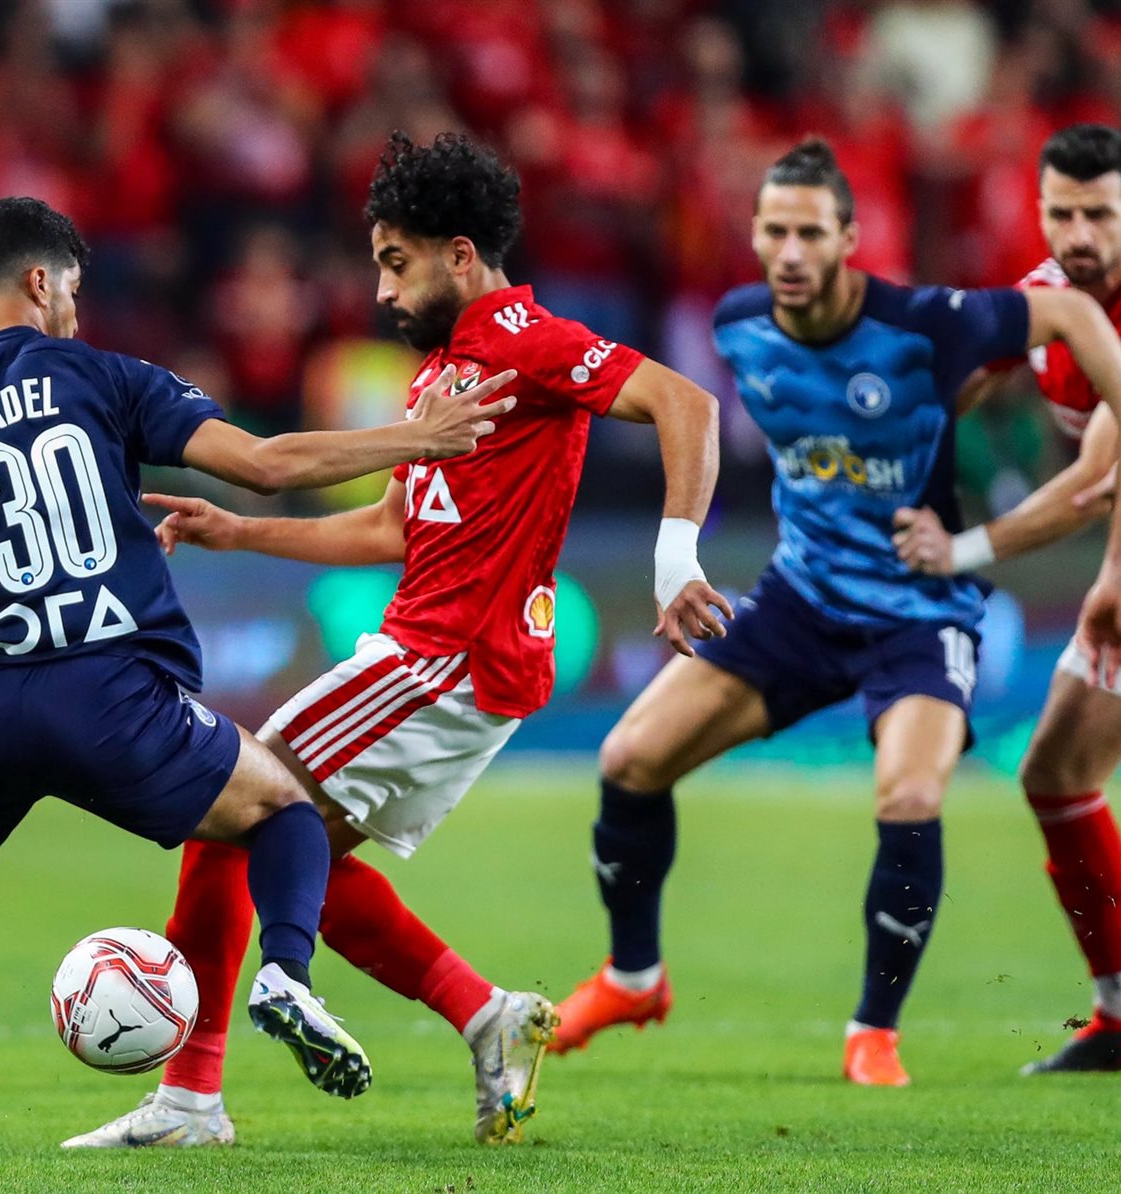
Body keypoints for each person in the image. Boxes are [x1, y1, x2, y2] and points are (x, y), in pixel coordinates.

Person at [0, 196, 516, 1153]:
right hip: (112, 699)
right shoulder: (108, 376)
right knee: (282, 807)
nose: (76, 307)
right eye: (72, 287)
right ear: (41, 281)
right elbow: (264, 464)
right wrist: (418, 437)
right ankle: (286, 971)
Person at [62, 131, 728, 1150]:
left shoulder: (529, 341)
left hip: (444, 658)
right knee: (290, 856)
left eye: (395, 262)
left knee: (228, 811)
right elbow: (389, 529)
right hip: (445, 658)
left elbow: (685, 402)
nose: (381, 292)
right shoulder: (442, 381)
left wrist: (676, 557)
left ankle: (193, 1099)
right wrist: (241, 531)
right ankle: (485, 1015)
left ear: (460, 255)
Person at [549, 139, 1121, 1087]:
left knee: (909, 797)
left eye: (811, 233)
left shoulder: (922, 322)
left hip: (921, 612)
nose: (790, 252)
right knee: (628, 760)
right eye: (775, 231)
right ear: (754, 235)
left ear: (849, 240)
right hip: (801, 598)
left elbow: (1067, 309)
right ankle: (633, 978)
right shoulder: (740, 326)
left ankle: (874, 1031)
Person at [890, 125, 1121, 1073]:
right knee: (1055, 774)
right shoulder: (1044, 296)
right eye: (1061, 213)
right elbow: (958, 385)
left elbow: (1097, 484)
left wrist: (962, 550)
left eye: (1098, 214)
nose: (1078, 234)